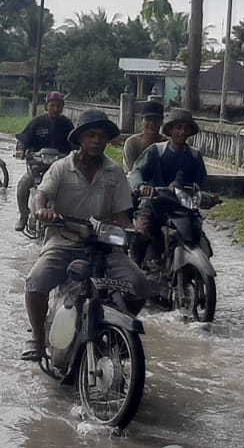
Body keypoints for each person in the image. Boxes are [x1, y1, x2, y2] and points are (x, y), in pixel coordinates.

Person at [21, 109, 148, 361]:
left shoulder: (114, 172)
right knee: (35, 283)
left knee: (140, 285)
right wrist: (42, 211)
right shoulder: (60, 168)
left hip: (105, 247)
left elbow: (123, 215)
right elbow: (41, 195)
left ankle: (116, 329)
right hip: (64, 241)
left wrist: (133, 230)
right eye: (91, 135)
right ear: (79, 138)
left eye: (102, 136)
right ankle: (36, 337)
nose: (97, 141)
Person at [129, 108, 208, 268]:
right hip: (153, 204)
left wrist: (207, 195)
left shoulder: (194, 155)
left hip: (183, 207)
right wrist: (142, 186)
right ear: (170, 130)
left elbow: (202, 181)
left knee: (199, 238)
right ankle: (134, 271)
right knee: (141, 233)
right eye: (178, 127)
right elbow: (137, 170)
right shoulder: (156, 151)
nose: (182, 132)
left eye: (186, 128)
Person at [13, 91, 75, 230]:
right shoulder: (37, 122)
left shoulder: (67, 124)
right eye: (53, 105)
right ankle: (23, 215)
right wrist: (21, 150)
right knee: (23, 186)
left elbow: (75, 143)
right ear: (46, 106)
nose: (56, 109)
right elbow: (24, 138)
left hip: (61, 168)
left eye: (59, 106)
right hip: (38, 167)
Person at [120, 100, 165, 174]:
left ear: (161, 122)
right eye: (148, 119)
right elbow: (129, 171)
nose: (152, 123)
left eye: (155, 120)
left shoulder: (166, 144)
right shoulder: (132, 143)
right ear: (142, 121)